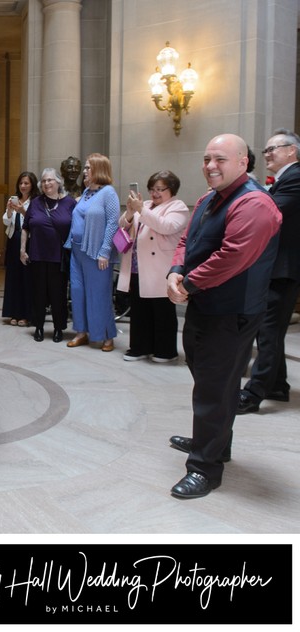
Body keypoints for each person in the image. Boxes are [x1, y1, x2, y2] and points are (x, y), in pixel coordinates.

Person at [166, 133, 281, 499]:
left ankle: (205, 468)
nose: (210, 166)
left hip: (231, 312)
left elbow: (233, 256)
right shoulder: (207, 199)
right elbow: (187, 241)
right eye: (206, 159)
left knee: (216, 388)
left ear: (244, 162)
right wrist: (175, 271)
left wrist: (189, 284)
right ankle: (214, 441)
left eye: (220, 159)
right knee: (210, 381)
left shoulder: (255, 204)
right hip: (203, 306)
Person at [238, 129, 300, 413]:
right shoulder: (283, 179)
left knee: (269, 330)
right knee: (270, 330)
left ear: (292, 151)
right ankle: (277, 384)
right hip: (278, 266)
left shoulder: (296, 176)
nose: (267, 154)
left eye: (273, 148)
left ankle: (253, 394)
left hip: (283, 268)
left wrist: (250, 190)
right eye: (265, 150)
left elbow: (270, 212)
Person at [117, 171, 189, 362]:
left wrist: (141, 210)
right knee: (140, 309)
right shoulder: (145, 205)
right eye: (152, 189)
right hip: (137, 266)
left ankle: (165, 351)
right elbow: (122, 225)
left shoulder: (178, 207)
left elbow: (166, 226)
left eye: (160, 189)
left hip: (160, 268)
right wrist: (131, 212)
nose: (155, 193)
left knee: (162, 310)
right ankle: (139, 347)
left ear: (171, 190)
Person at [65, 153, 119, 352]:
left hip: (97, 253)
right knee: (78, 292)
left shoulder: (109, 193)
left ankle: (106, 336)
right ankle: (81, 332)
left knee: (99, 295)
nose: (85, 171)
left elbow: (113, 223)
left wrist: (105, 251)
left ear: (99, 169)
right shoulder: (86, 192)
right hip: (77, 251)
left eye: (88, 167)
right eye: (86, 168)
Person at [20, 167, 76, 342]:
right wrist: (22, 250)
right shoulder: (36, 202)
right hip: (37, 255)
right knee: (38, 294)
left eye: (50, 180)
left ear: (58, 182)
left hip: (58, 257)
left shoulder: (70, 203)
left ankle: (59, 328)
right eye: (44, 181)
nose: (46, 183)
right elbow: (25, 228)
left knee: (58, 294)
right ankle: (39, 327)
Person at [2, 171, 37, 327]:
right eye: (21, 183)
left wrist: (23, 210)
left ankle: (26, 314)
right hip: (13, 239)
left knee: (27, 278)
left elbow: (35, 220)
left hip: (29, 241)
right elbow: (5, 221)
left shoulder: (36, 201)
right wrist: (10, 210)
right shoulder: (13, 199)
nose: (23, 186)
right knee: (13, 277)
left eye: (26, 183)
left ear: (32, 185)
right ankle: (14, 313)